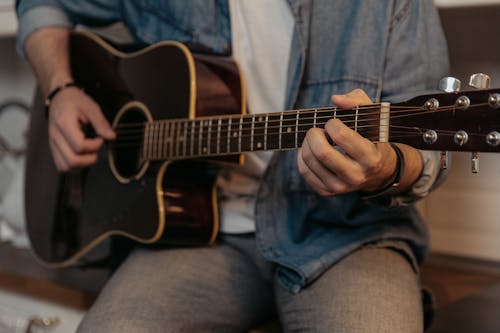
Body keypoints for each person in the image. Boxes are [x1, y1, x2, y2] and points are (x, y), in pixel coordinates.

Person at [16, 1, 449, 332]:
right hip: (200, 233)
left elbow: (427, 150)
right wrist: (61, 89)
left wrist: (385, 168)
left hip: (348, 237)